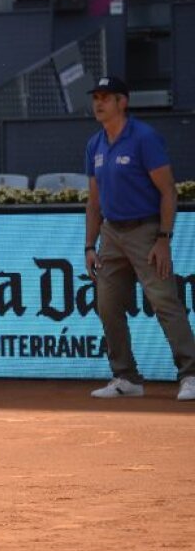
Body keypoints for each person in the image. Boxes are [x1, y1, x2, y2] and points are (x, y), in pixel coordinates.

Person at [83, 76, 195, 401]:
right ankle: (126, 377)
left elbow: (168, 191)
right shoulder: (94, 144)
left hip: (146, 231)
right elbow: (94, 201)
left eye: (106, 97)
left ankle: (190, 374)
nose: (99, 103)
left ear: (123, 102)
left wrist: (163, 238)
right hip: (111, 234)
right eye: (96, 98)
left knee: (164, 302)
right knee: (106, 305)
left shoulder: (144, 138)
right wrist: (90, 245)